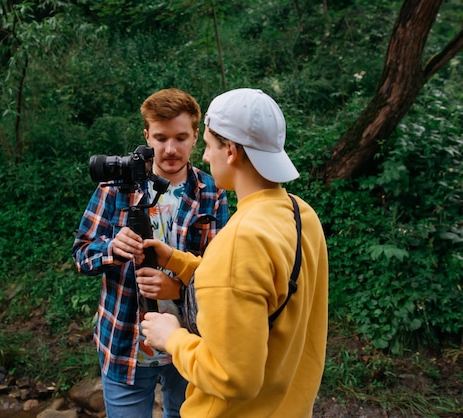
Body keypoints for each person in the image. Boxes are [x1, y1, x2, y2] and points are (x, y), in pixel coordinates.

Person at [138, 88, 329, 417]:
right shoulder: (301, 215)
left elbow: (233, 378)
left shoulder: (238, 241)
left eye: (210, 146)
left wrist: (172, 337)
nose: (206, 157)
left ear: (231, 151)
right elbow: (250, 286)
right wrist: (176, 260)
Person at [72, 88, 230, 418]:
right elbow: (82, 255)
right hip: (125, 343)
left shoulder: (213, 192)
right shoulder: (116, 186)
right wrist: (112, 248)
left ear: (195, 136)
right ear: (146, 135)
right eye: (160, 137)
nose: (170, 149)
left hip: (191, 342)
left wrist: (179, 289)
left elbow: (222, 274)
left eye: (180, 137)